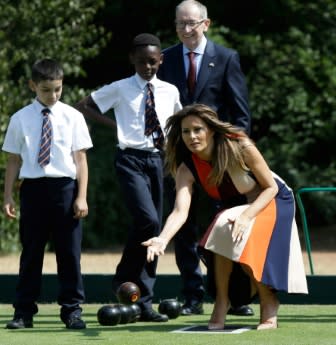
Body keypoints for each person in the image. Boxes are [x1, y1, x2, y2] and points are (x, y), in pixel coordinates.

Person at [142, 104, 308, 330]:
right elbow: (180, 211)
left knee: (231, 231)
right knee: (221, 232)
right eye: (185, 131)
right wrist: (162, 238)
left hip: (273, 200)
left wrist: (247, 217)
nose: (192, 136)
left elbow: (270, 188)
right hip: (237, 207)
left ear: (210, 130)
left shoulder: (239, 145)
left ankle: (269, 303)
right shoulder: (186, 168)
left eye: (197, 129)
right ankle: (221, 301)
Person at [75, 33, 182, 322]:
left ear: (161, 60)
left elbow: (177, 123)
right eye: (142, 61)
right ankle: (122, 277)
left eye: (153, 61)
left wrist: (172, 151)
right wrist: (116, 126)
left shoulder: (169, 91)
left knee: (154, 232)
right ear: (132, 60)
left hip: (158, 160)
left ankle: (144, 302)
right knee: (149, 220)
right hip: (130, 159)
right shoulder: (121, 88)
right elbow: (84, 105)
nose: (148, 67)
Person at [157, 0, 252, 316]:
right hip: (179, 158)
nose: (186, 30)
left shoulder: (226, 58)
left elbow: (240, 113)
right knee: (183, 226)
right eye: (180, 24)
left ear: (206, 24)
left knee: (227, 225)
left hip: (220, 159)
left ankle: (236, 296)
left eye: (192, 23)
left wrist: (234, 154)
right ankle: (192, 296)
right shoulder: (165, 59)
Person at [2, 58, 92, 329]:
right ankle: (24, 311)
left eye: (57, 89)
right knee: (31, 253)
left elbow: (81, 160)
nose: (52, 95)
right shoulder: (19, 118)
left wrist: (82, 196)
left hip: (65, 189)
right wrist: (7, 196)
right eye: (46, 90)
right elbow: (13, 161)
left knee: (69, 253)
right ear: (33, 86)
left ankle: (72, 310)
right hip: (32, 190)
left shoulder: (73, 117)